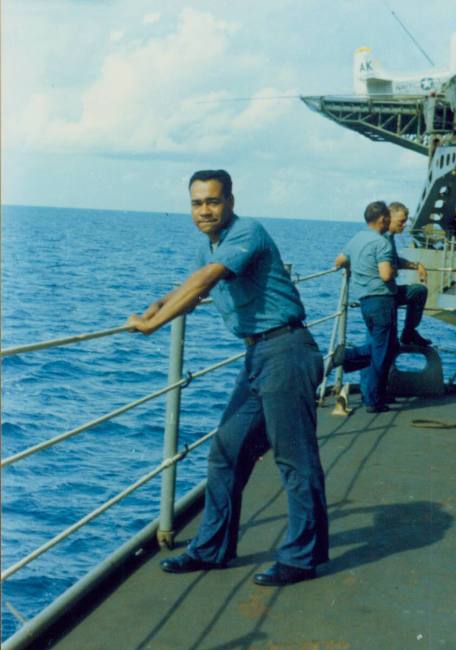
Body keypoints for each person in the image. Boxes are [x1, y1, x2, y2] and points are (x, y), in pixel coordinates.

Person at [128, 170, 329, 587]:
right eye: (197, 203)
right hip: (259, 354)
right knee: (226, 450)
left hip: (286, 351)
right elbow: (195, 286)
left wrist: (155, 325)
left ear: (230, 202)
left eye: (212, 201)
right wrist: (159, 304)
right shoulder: (211, 247)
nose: (204, 210)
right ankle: (212, 548)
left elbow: (206, 279)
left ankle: (302, 558)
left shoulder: (247, 232)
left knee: (294, 458)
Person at [333, 201, 398, 413]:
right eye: (388, 218)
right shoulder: (382, 243)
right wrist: (394, 270)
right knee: (382, 350)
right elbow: (386, 274)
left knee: (386, 347)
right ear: (382, 219)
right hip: (382, 300)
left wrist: (358, 266)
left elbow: (339, 261)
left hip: (365, 302)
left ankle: (350, 359)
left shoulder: (356, 239)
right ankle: (371, 399)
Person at [386, 202, 431, 347]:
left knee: (418, 291)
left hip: (391, 290)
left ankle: (409, 332)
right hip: (383, 294)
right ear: (388, 218)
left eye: (405, 221)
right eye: (401, 221)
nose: (404, 225)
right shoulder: (383, 240)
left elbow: (395, 260)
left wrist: (416, 265)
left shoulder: (390, 237)